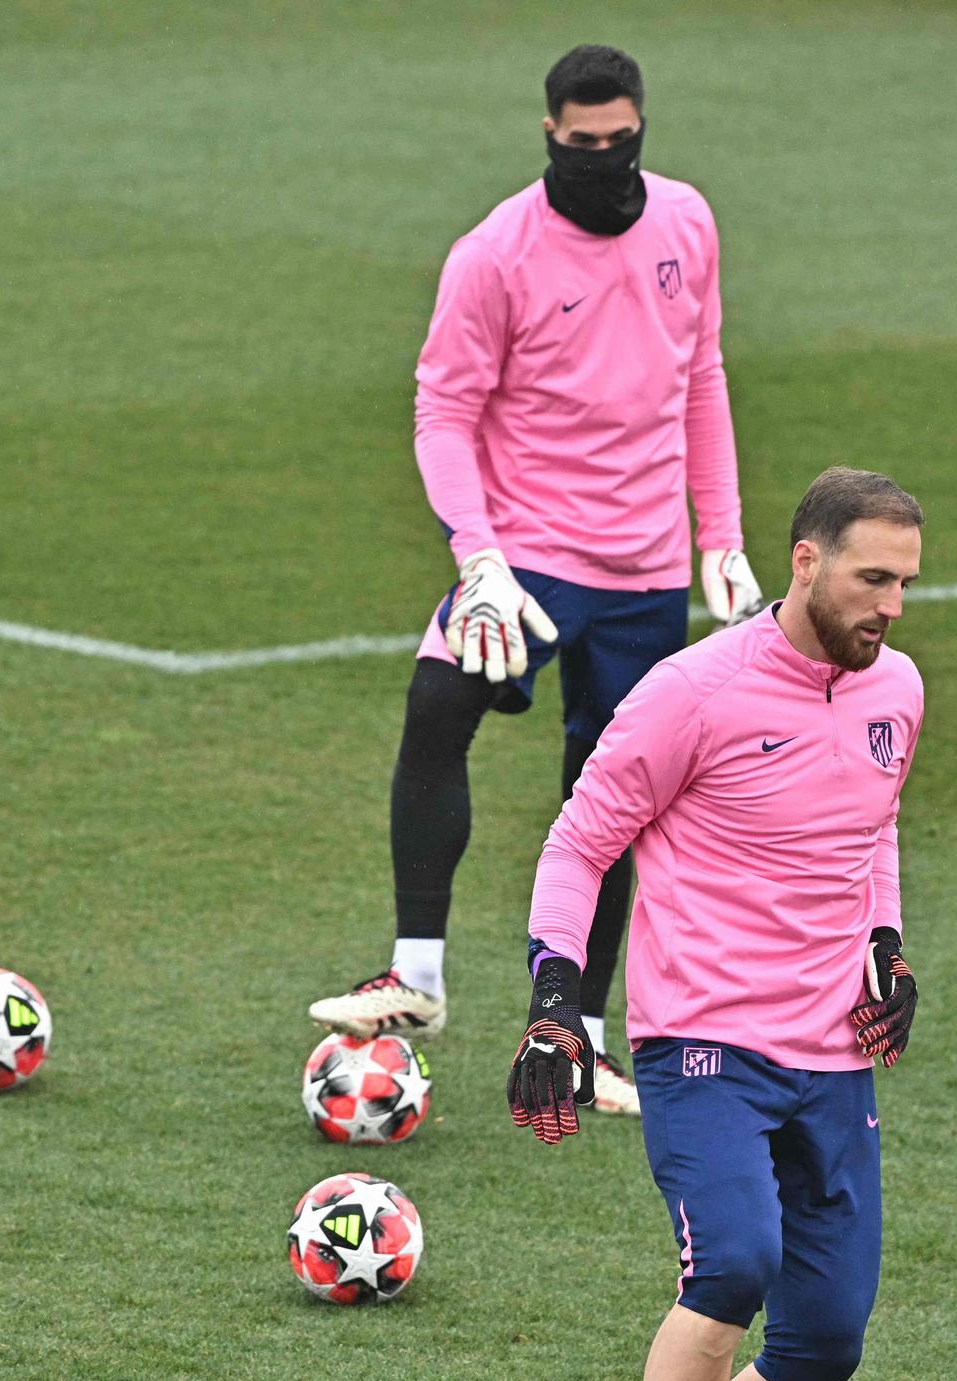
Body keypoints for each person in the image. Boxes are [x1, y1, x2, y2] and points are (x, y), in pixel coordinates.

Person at [507, 468, 926, 1381]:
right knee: (733, 1262)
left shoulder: (897, 688)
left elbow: (874, 824)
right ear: (806, 561)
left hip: (833, 1056)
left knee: (825, 1339)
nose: (892, 605)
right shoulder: (692, 692)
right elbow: (580, 841)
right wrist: (555, 1004)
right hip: (702, 1044)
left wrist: (887, 944)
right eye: (873, 578)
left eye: (906, 582)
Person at [309, 42, 764, 1115]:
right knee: (437, 705)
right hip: (527, 558)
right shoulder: (496, 254)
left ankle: (580, 1038)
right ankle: (417, 977)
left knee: (611, 796)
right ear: (551, 134)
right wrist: (476, 556)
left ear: (640, 127)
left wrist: (722, 535)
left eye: (622, 140)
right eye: (584, 142)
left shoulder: (687, 223)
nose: (606, 158)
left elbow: (701, 378)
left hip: (645, 570)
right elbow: (442, 412)